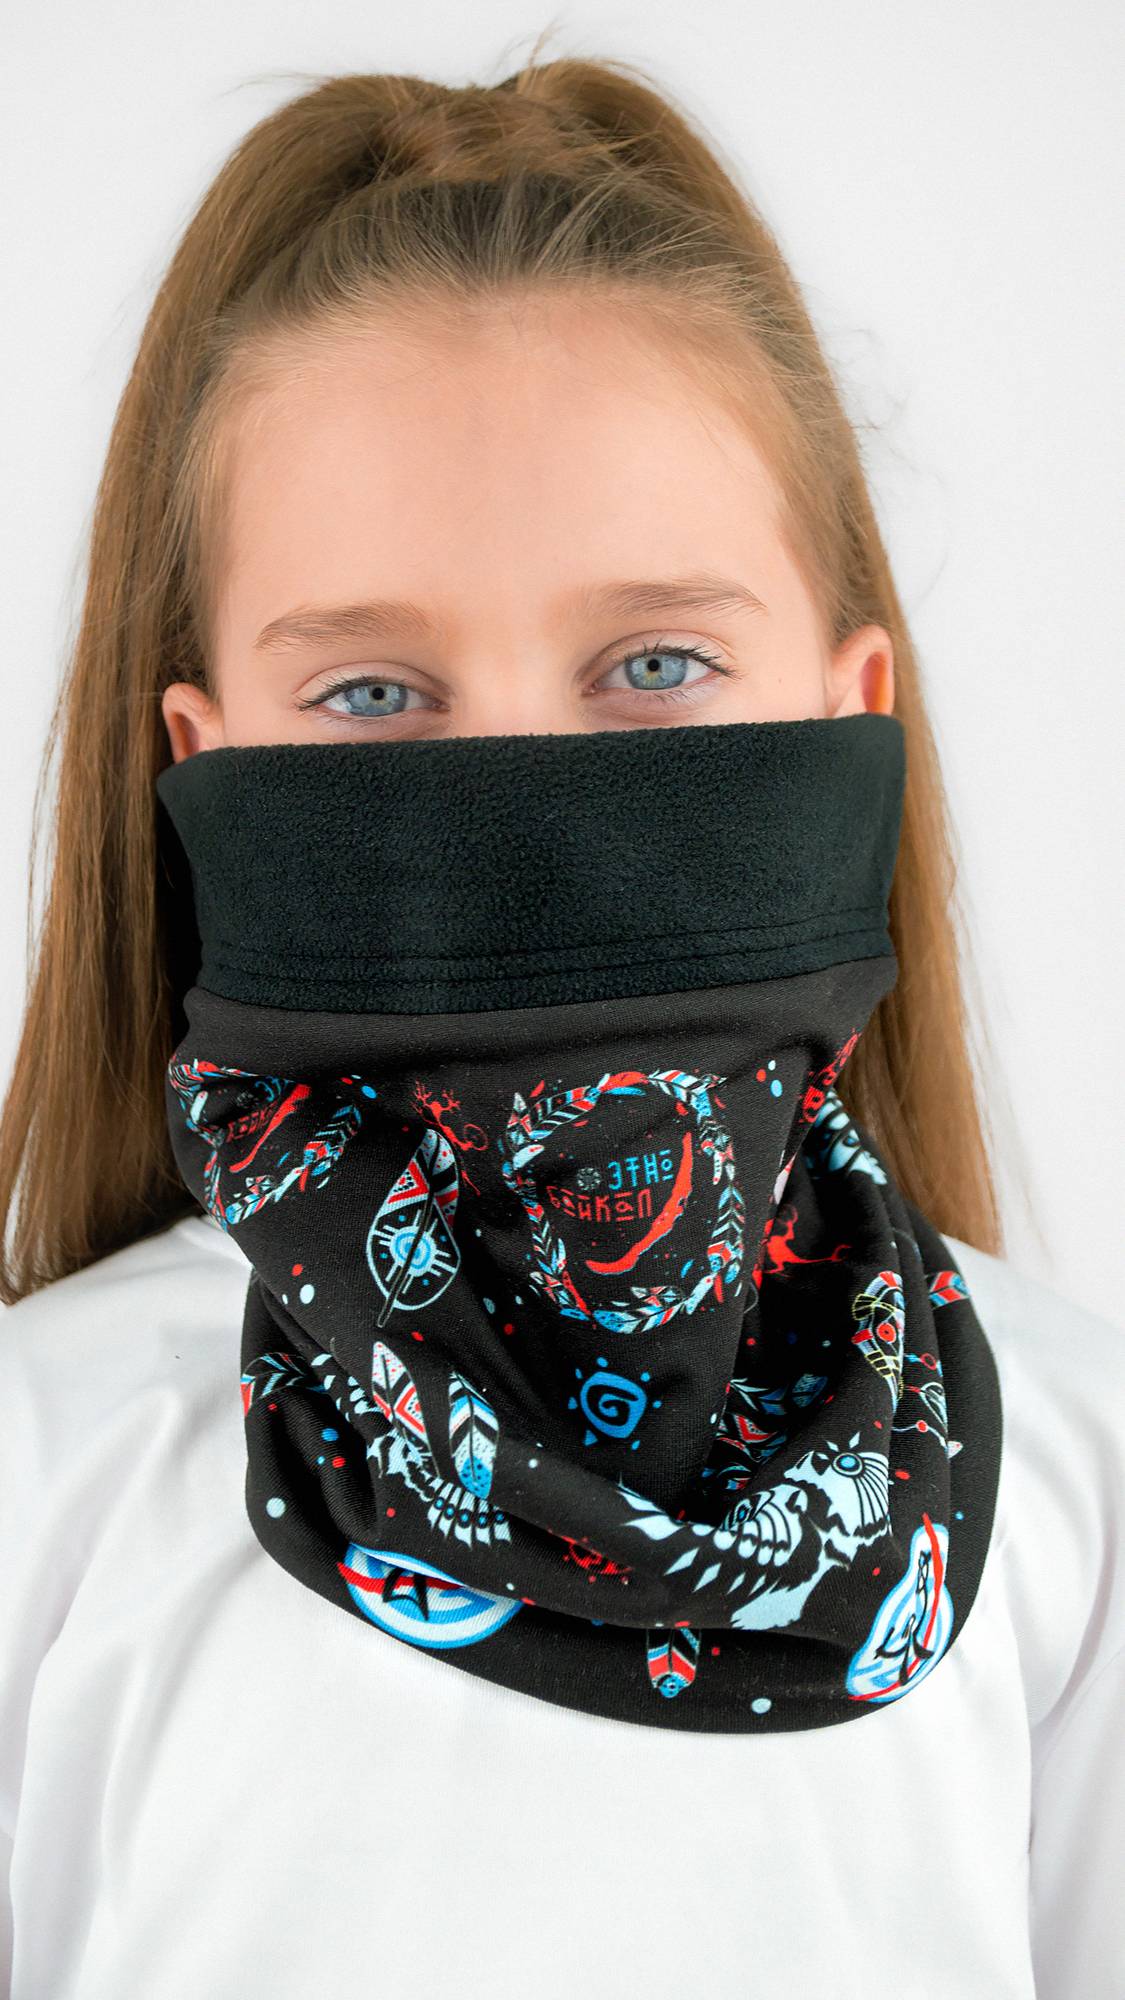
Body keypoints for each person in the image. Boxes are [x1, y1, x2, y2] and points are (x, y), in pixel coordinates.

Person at [0, 39, 1121, 2000]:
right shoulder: (42, 1463)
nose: (521, 797)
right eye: (371, 695)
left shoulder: (1062, 1476)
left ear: (846, 716)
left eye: (655, 664)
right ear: (203, 758)